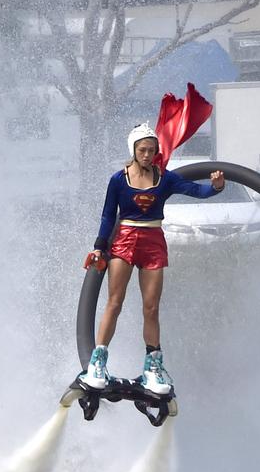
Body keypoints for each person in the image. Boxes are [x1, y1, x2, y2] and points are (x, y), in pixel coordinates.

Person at [80, 122, 224, 394]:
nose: (147, 154)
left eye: (151, 150)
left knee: (151, 307)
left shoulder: (165, 178)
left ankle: (153, 366)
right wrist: (99, 246)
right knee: (115, 301)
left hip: (153, 241)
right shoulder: (118, 180)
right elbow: (108, 215)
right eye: (142, 150)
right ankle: (98, 361)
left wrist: (215, 188)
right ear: (133, 151)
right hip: (124, 240)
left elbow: (195, 190)